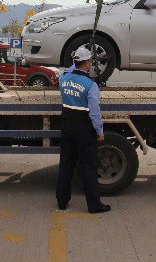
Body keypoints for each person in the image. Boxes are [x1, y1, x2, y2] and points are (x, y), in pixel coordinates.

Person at [56, 45, 110, 213]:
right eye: (89, 61)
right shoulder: (91, 85)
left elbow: (69, 69)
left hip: (67, 126)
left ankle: (62, 202)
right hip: (84, 129)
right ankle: (94, 205)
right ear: (87, 63)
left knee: (66, 165)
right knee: (88, 167)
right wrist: (100, 132)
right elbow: (94, 113)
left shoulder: (63, 79)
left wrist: (76, 58)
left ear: (75, 62)